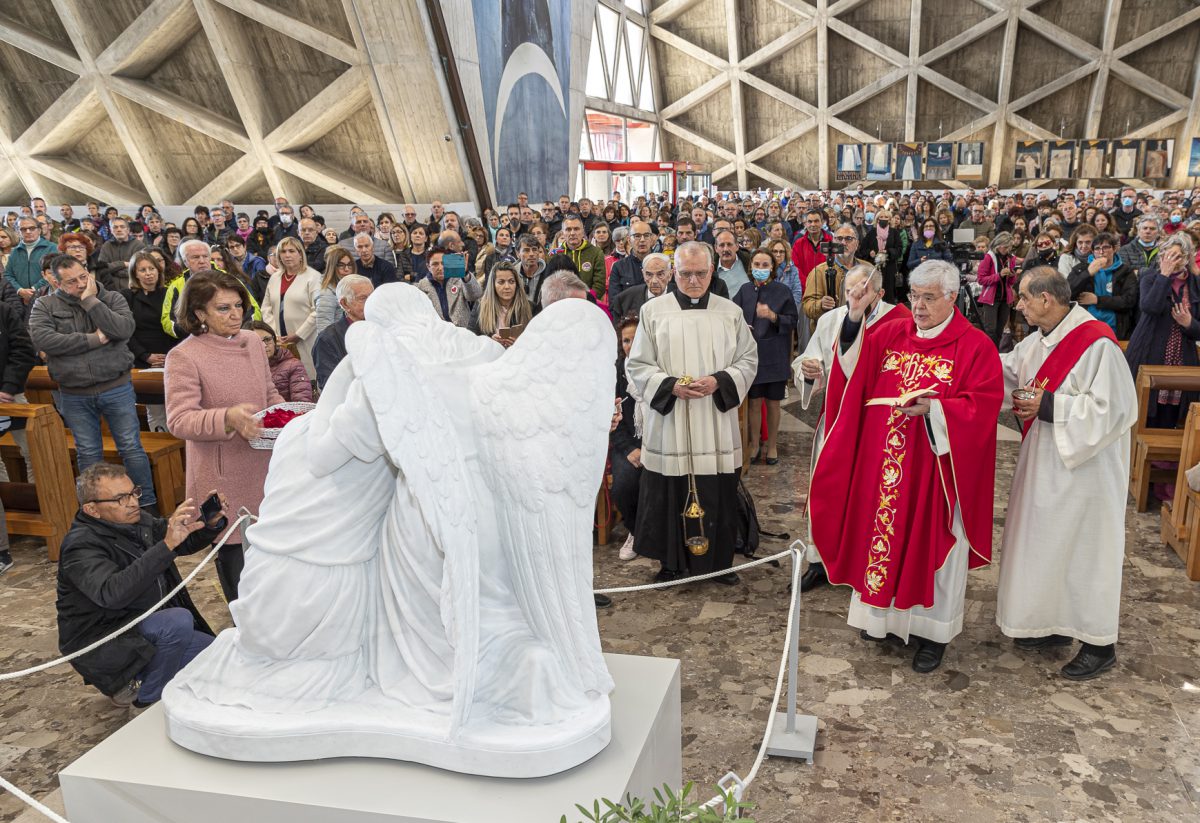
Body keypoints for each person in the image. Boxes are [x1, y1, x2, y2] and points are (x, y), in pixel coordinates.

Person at [808, 260, 1004, 673]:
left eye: (928, 298)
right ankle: (877, 620)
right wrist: (855, 316)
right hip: (881, 466)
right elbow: (851, 367)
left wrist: (937, 410)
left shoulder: (974, 346)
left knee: (930, 543)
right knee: (876, 538)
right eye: (914, 296)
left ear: (952, 297)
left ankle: (933, 635)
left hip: (933, 472)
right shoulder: (891, 333)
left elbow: (983, 407)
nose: (917, 306)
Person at [995, 267, 1136, 680]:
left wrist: (1052, 406)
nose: (1018, 305)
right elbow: (1005, 372)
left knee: (1086, 553)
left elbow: (1115, 409)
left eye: (1023, 298)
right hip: (1045, 463)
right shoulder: (1040, 340)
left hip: (1087, 472)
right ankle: (1051, 626)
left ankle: (1098, 643)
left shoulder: (1096, 344)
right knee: (1047, 545)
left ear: (1045, 300)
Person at [626, 241, 758, 585]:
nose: (694, 281)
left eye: (701, 273)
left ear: (712, 271)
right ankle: (671, 563)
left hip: (714, 421)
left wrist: (720, 381)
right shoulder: (653, 311)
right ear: (674, 273)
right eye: (685, 274)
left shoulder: (730, 312)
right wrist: (669, 385)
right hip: (671, 422)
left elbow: (748, 360)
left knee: (717, 491)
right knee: (669, 490)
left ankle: (719, 564)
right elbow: (637, 364)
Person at [56, 464, 226, 707]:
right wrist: (166, 545)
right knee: (176, 622)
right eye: (120, 498)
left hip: (141, 623)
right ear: (92, 509)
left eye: (133, 492)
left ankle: (151, 675)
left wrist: (208, 526)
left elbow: (179, 544)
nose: (134, 502)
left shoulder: (137, 521)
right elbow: (112, 593)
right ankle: (147, 700)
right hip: (104, 639)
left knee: (215, 657)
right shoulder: (80, 547)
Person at [165, 270, 284, 601]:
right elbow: (180, 419)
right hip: (223, 474)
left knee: (273, 555)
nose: (235, 315)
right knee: (239, 565)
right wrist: (227, 417)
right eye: (223, 308)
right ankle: (247, 631)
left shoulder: (252, 342)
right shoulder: (185, 356)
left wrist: (288, 416)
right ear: (199, 313)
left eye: (239, 306)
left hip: (263, 463)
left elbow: (268, 391)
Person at [792, 264, 906, 591]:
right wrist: (808, 370)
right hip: (836, 421)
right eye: (850, 291)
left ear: (879, 293)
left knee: (868, 493)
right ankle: (818, 560)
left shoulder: (899, 322)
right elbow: (810, 361)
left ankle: (863, 559)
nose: (854, 296)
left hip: (876, 427)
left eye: (863, 290)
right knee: (825, 487)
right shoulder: (830, 320)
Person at [30, 254, 157, 511]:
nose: (78, 284)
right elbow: (45, 340)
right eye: (70, 282)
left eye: (82, 277)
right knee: (88, 453)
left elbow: (123, 330)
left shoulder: (111, 298)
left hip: (116, 386)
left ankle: (146, 506)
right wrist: (93, 340)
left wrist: (90, 301)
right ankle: (97, 508)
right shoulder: (45, 305)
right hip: (74, 392)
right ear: (56, 282)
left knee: (131, 448)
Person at [1124, 233, 1200, 428]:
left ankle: (1165, 457)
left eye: (1179, 256)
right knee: (1144, 407)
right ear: (1161, 256)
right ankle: (1138, 453)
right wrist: (1164, 276)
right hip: (1150, 351)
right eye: (1169, 255)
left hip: (1182, 356)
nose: (1174, 261)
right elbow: (1150, 307)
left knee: (1174, 411)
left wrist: (1189, 323)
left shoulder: (1196, 283)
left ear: (1187, 258)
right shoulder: (1149, 276)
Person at [733, 249, 798, 464]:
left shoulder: (782, 291)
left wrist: (773, 316)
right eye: (757, 265)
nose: (760, 269)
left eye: (765, 265)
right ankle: (753, 444)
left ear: (772, 267)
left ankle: (771, 446)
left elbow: (792, 321)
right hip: (750, 356)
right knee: (753, 402)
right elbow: (732, 316)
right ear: (751, 266)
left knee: (773, 403)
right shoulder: (744, 290)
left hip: (775, 354)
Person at [261, 236, 321, 379]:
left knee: (307, 378)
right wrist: (273, 333)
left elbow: (317, 310)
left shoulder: (313, 277)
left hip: (305, 338)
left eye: (292, 251)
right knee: (283, 379)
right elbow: (266, 307)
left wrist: (299, 334)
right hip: (279, 339)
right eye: (283, 251)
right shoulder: (274, 278)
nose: (287, 255)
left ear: (300, 254)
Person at [611, 314, 643, 562]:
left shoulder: (657, 369)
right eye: (625, 341)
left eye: (635, 339)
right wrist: (630, 448)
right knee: (623, 487)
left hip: (656, 442)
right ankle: (635, 530)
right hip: (626, 443)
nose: (630, 345)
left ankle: (657, 533)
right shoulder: (615, 374)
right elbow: (612, 418)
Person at [1066, 232, 1136, 340]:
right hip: (1086, 326)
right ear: (1093, 252)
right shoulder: (1080, 269)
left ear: (1114, 249)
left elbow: (1129, 300)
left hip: (1116, 328)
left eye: (1106, 247)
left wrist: (1097, 300)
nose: (1101, 252)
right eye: (1097, 249)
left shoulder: (1126, 271)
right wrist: (1087, 273)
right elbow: (1067, 294)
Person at [313, 275, 373, 389]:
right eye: (363, 298)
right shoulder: (327, 339)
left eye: (372, 297)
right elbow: (332, 387)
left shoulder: (382, 329)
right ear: (345, 304)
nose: (371, 302)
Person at [802, 224, 862, 331]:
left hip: (860, 329)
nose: (843, 243)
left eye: (849, 238)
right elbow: (807, 306)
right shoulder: (819, 272)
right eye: (839, 239)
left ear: (856, 244)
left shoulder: (866, 269)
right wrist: (821, 304)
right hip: (829, 331)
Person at [469, 260, 533, 345]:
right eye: (501, 282)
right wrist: (489, 341)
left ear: (517, 284)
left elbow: (537, 341)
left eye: (511, 281)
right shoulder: (480, 306)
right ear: (493, 285)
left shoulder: (530, 307)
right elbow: (470, 338)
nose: (507, 287)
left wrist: (519, 343)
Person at [416, 248, 484, 328]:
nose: (440, 268)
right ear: (428, 266)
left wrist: (465, 273)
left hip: (462, 332)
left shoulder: (459, 278)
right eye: (435, 264)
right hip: (437, 333)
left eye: (443, 263)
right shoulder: (422, 286)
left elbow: (475, 295)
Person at [251, 321, 313, 403]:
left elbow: (302, 403)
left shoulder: (293, 365)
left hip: (287, 414)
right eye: (258, 341)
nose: (264, 345)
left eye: (267, 339)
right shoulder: (241, 369)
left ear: (274, 341)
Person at [975, 232, 1018, 348]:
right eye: (1005, 246)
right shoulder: (988, 257)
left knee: (1000, 330)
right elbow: (981, 279)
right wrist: (999, 275)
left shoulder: (1011, 258)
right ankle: (988, 352)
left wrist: (1012, 275)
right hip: (991, 299)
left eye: (1009, 246)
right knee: (990, 330)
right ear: (998, 245)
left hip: (1005, 299)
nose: (1007, 249)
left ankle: (995, 352)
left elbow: (1011, 282)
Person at [608, 252, 671, 322]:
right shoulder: (624, 300)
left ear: (670, 275)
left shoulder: (680, 299)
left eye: (660, 274)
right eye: (649, 275)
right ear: (643, 274)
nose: (654, 281)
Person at [314, 247, 356, 339]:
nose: (346, 269)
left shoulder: (345, 287)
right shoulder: (326, 294)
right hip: (337, 346)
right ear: (332, 267)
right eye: (341, 265)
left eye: (350, 265)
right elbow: (324, 331)